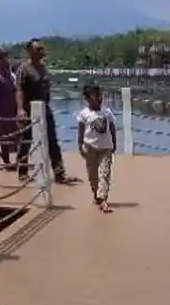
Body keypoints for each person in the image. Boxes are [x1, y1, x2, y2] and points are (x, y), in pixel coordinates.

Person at [16, 38, 76, 183]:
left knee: (52, 141)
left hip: (45, 109)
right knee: (26, 141)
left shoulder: (43, 68)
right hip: (29, 110)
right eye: (38, 49)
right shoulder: (24, 69)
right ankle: (22, 172)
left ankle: (59, 174)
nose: (42, 51)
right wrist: (20, 109)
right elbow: (19, 90)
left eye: (42, 48)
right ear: (30, 51)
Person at [76, 83, 116, 213]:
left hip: (106, 148)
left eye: (100, 95)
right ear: (87, 99)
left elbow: (112, 128)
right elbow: (81, 131)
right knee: (92, 175)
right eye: (95, 96)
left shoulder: (107, 113)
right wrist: (80, 146)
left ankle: (103, 199)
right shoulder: (84, 114)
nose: (99, 98)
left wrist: (114, 143)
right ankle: (96, 194)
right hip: (90, 148)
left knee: (104, 174)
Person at [0, 48, 21, 165]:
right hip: (1, 110)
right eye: (4, 58)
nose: (7, 60)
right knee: (4, 137)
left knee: (15, 135)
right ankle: (6, 162)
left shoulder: (9, 75)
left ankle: (14, 160)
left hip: (12, 109)